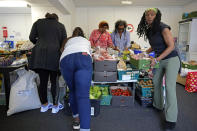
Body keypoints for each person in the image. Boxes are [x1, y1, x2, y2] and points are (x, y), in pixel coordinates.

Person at [137, 8, 180, 130]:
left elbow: (171, 46)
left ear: (157, 16)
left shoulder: (164, 27)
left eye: (152, 15)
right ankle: (158, 105)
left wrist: (157, 59)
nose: (149, 17)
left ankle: (171, 120)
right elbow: (154, 45)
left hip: (171, 59)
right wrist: (145, 52)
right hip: (159, 59)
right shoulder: (150, 30)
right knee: (155, 82)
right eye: (147, 15)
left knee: (170, 87)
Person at [29, 13, 67, 113]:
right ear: (56, 19)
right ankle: (55, 106)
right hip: (54, 55)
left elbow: (32, 37)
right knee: (54, 81)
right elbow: (64, 41)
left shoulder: (38, 22)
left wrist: (40, 43)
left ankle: (44, 105)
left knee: (43, 81)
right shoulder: (60, 25)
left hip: (40, 55)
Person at [60, 27, 92, 131]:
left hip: (66, 59)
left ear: (73, 34)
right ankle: (85, 128)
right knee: (83, 96)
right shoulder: (86, 41)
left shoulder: (68, 40)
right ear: (83, 34)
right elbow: (90, 52)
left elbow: (61, 50)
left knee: (72, 91)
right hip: (83, 57)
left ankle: (76, 121)